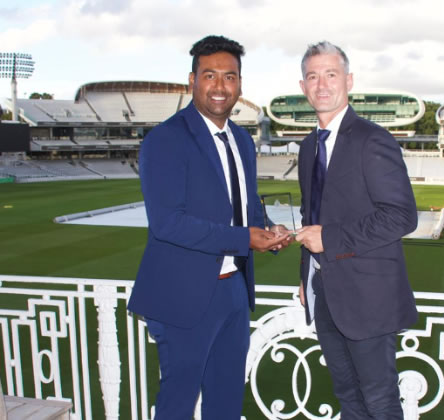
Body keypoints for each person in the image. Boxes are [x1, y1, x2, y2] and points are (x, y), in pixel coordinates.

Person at [127, 35, 289, 419]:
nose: (220, 86)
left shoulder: (242, 141)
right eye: (210, 75)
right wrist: (245, 238)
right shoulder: (166, 139)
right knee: (179, 404)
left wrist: (267, 227)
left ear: (240, 85)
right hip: (184, 295)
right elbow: (167, 223)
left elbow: (243, 206)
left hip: (233, 289)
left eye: (229, 77)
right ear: (192, 81)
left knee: (226, 400)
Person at [294, 41, 419, 419]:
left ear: (348, 81)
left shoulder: (372, 139)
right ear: (303, 87)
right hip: (325, 293)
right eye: (313, 76)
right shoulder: (307, 147)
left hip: (367, 298)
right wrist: (306, 272)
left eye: (331, 74)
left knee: (379, 402)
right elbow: (312, 214)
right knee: (348, 398)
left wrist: (328, 240)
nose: (322, 85)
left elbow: (401, 216)